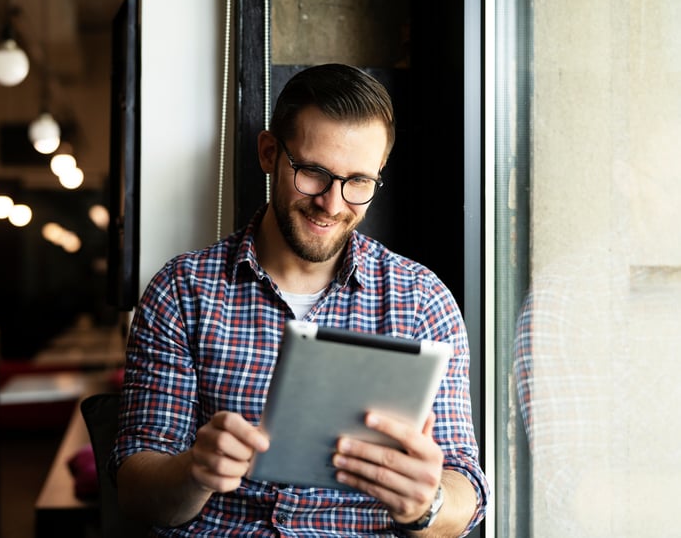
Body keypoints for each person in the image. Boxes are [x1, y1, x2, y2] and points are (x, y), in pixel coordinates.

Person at [110, 63, 489, 536]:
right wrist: (194, 471)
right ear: (269, 153)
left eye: (358, 183)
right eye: (313, 173)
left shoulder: (421, 300)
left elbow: (466, 491)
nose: (332, 204)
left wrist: (426, 502)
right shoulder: (183, 289)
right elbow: (135, 491)